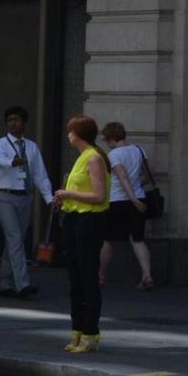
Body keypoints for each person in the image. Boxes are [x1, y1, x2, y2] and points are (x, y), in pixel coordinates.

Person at [54, 115, 111, 353]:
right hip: (74, 219)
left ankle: (90, 333)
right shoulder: (82, 157)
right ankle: (77, 331)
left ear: (78, 133)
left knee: (88, 278)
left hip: (89, 221)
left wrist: (68, 195)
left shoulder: (94, 158)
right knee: (75, 278)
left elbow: (98, 196)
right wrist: (64, 200)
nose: (68, 134)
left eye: (70, 130)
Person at [0, 106, 53, 298]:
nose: (13, 123)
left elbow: (40, 174)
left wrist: (49, 198)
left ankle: (4, 283)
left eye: (16, 120)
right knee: (15, 238)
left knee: (14, 241)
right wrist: (12, 162)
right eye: (9, 120)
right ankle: (22, 284)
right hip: (5, 195)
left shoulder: (31, 147)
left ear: (24, 123)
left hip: (25, 195)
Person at [98, 122, 155, 290]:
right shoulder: (138, 150)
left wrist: (131, 198)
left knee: (109, 240)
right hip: (139, 197)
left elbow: (122, 178)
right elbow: (146, 176)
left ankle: (100, 276)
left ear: (110, 138)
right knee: (138, 239)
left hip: (118, 200)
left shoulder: (114, 154)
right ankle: (147, 274)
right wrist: (137, 195)